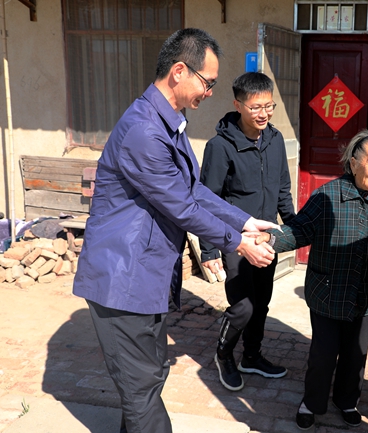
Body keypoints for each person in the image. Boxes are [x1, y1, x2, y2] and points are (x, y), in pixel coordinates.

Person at [73, 29, 279, 433]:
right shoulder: (144, 130)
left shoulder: (169, 122)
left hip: (144, 275)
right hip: (122, 278)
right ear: (179, 71)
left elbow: (192, 189)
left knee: (148, 380)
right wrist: (239, 243)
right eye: (208, 82)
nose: (210, 92)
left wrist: (243, 220)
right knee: (142, 390)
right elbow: (181, 207)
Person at [256, 130, 368, 430]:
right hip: (328, 291)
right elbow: (300, 230)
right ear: (354, 162)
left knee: (356, 355)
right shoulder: (327, 196)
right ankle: (312, 402)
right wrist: (271, 239)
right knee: (323, 355)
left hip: (366, 293)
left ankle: (347, 401)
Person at [199, 72, 296, 392]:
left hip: (267, 237)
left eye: (269, 106)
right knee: (243, 306)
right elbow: (206, 199)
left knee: (262, 302)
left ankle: (251, 356)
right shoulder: (219, 147)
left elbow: (283, 189)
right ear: (238, 105)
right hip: (235, 239)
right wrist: (209, 249)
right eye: (256, 107)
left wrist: (294, 228)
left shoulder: (275, 139)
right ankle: (224, 354)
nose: (264, 113)